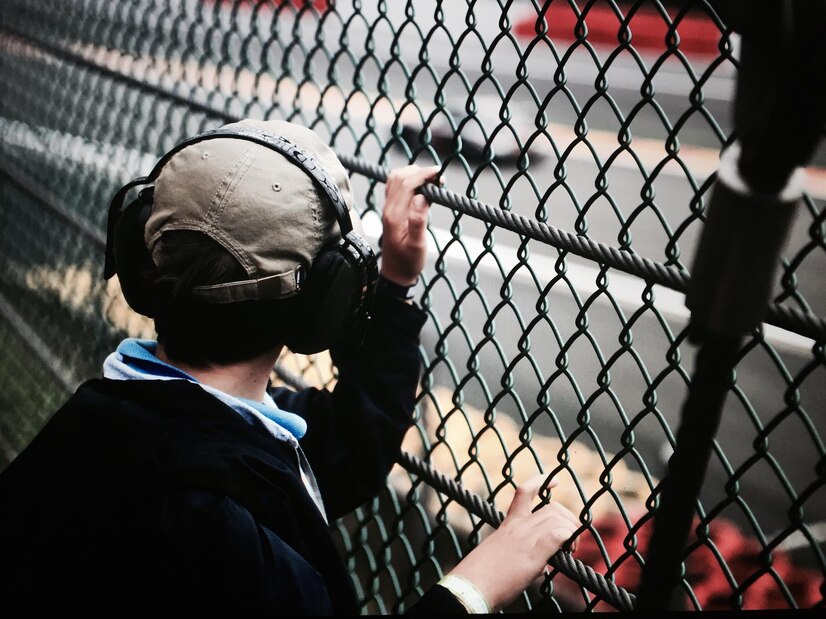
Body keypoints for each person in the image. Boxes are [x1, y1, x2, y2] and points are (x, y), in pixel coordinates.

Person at [0, 118, 578, 614]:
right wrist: (472, 589)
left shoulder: (116, 417)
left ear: (137, 250)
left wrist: (394, 285)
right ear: (323, 304)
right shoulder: (218, 527)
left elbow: (348, 444)